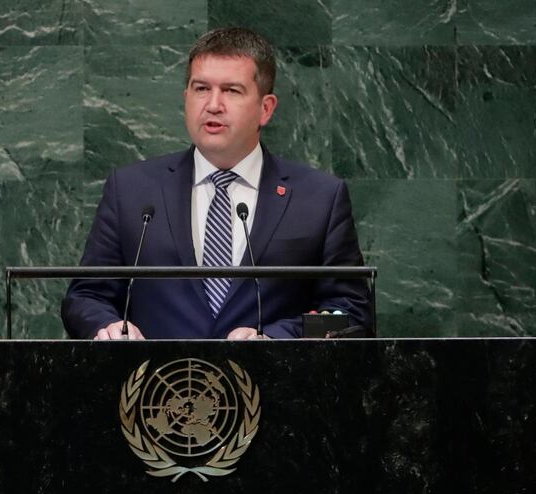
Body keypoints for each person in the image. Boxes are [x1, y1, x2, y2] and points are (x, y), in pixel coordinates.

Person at [61, 27, 372, 340]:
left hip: (273, 384)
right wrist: (107, 327)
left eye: (232, 90)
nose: (213, 104)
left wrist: (277, 339)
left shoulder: (319, 198)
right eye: (200, 89)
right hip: (157, 385)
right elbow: (86, 297)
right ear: (186, 98)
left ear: (266, 109)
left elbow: (351, 312)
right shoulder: (131, 190)